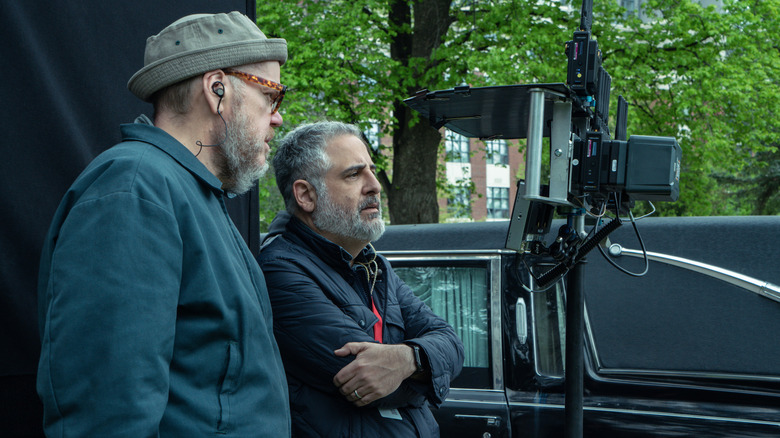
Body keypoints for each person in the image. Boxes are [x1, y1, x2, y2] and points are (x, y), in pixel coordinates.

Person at [36, 12, 291, 436]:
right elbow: (106, 412)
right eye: (272, 95)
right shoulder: (135, 188)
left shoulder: (191, 193)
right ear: (217, 89)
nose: (278, 116)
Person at [258, 121, 465, 437]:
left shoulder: (375, 267)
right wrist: (431, 369)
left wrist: (411, 357)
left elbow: (450, 341)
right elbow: (373, 383)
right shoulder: (280, 271)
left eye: (372, 170)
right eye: (354, 175)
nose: (375, 185)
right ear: (306, 195)